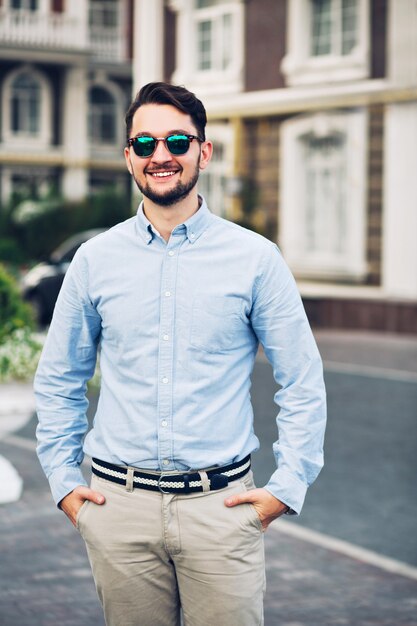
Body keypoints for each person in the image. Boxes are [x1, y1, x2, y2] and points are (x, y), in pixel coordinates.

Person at [34, 82, 326, 626]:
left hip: (222, 512)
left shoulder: (256, 259)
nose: (160, 155)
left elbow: (303, 380)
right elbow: (59, 379)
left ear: (203, 151)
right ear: (128, 157)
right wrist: (63, 481)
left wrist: (287, 487)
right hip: (116, 511)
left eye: (176, 140)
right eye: (144, 143)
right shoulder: (94, 260)